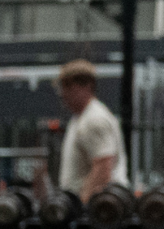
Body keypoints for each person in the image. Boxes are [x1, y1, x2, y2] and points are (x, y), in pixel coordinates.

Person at [55, 59, 129, 200]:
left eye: (68, 87)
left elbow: (103, 167)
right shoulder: (80, 118)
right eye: (62, 87)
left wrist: (84, 207)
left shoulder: (94, 119)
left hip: (96, 210)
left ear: (87, 86)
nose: (63, 94)